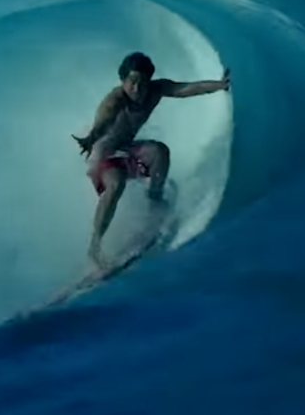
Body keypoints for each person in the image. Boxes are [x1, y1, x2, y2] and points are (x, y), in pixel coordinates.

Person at [73, 51, 230, 274]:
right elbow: (104, 119)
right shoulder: (115, 100)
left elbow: (184, 89)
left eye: (142, 82)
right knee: (116, 184)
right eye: (132, 82)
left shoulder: (155, 90)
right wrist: (90, 137)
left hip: (124, 150)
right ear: (123, 81)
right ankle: (95, 247)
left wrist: (219, 85)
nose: (137, 89)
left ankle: (154, 200)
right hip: (100, 156)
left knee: (159, 152)